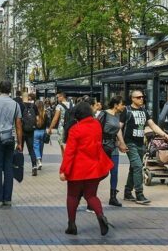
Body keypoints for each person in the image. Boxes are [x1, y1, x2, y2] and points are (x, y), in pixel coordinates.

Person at [60, 101, 114, 236]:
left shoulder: (75, 130)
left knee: (72, 196)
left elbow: (70, 152)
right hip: (94, 167)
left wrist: (64, 170)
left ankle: (72, 225)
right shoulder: (97, 125)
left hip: (77, 169)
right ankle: (101, 216)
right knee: (91, 196)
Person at [120, 90, 168, 205]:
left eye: (142, 97)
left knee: (134, 168)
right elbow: (119, 127)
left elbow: (152, 125)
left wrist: (163, 134)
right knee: (137, 166)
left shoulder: (144, 110)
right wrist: (121, 142)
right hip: (130, 143)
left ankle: (127, 192)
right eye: (138, 97)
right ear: (132, 98)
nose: (141, 99)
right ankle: (139, 193)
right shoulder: (126, 110)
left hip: (140, 143)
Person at [97, 97, 128, 207]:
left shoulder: (117, 115)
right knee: (101, 172)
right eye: (122, 104)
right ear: (116, 105)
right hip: (103, 146)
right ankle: (88, 191)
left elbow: (118, 129)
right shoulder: (103, 114)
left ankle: (113, 197)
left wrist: (122, 142)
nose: (124, 106)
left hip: (113, 146)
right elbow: (96, 128)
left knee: (114, 172)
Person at [21, 93, 40, 176]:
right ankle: (34, 166)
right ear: (28, 98)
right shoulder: (34, 106)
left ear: (23, 98)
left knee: (20, 149)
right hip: (31, 131)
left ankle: (19, 167)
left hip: (22, 131)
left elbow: (17, 119)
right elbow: (38, 118)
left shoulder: (20, 106)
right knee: (31, 149)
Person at [32, 99, 49, 172]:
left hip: (35, 132)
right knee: (41, 148)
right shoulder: (45, 113)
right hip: (43, 132)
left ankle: (38, 160)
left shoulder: (34, 113)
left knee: (36, 147)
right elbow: (48, 123)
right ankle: (40, 161)